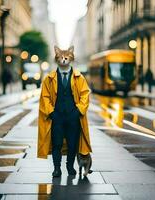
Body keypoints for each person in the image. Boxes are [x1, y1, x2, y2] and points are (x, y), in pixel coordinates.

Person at [38, 45, 92, 177]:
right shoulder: (49, 79)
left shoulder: (79, 78)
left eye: (66, 58)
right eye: (60, 58)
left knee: (72, 144)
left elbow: (85, 94)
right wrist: (51, 112)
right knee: (56, 143)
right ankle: (57, 168)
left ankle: (70, 166)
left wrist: (79, 111)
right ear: (56, 59)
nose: (63, 60)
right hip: (56, 117)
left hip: (74, 117)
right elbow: (44, 96)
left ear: (71, 59)